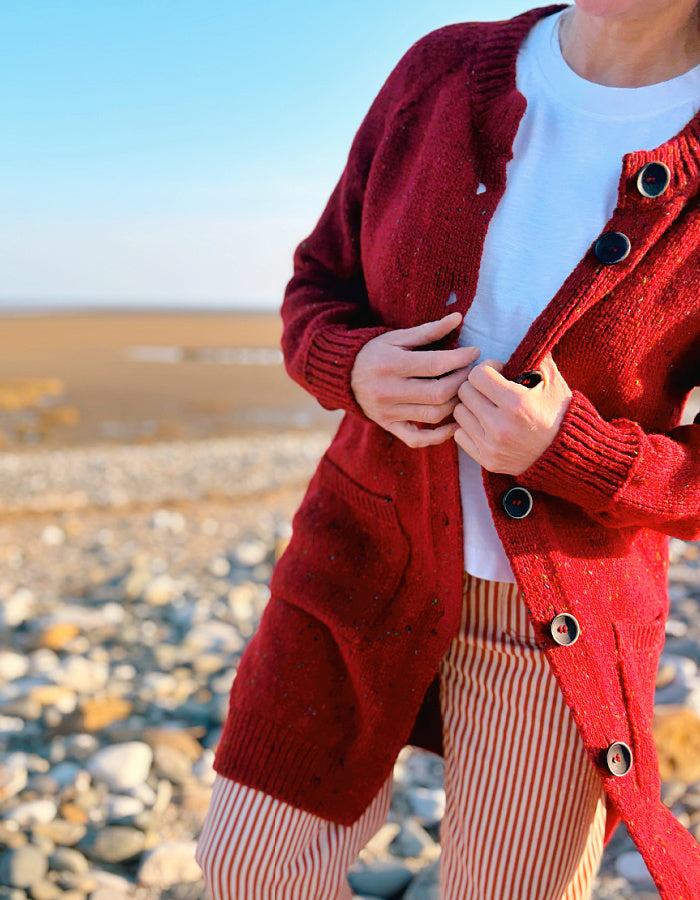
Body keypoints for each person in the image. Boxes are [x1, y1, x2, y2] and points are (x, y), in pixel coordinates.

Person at [196, 1, 700, 897]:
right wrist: (350, 368)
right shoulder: (442, 70)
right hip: (357, 561)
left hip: (559, 619)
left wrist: (567, 450)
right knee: (249, 866)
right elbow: (318, 285)